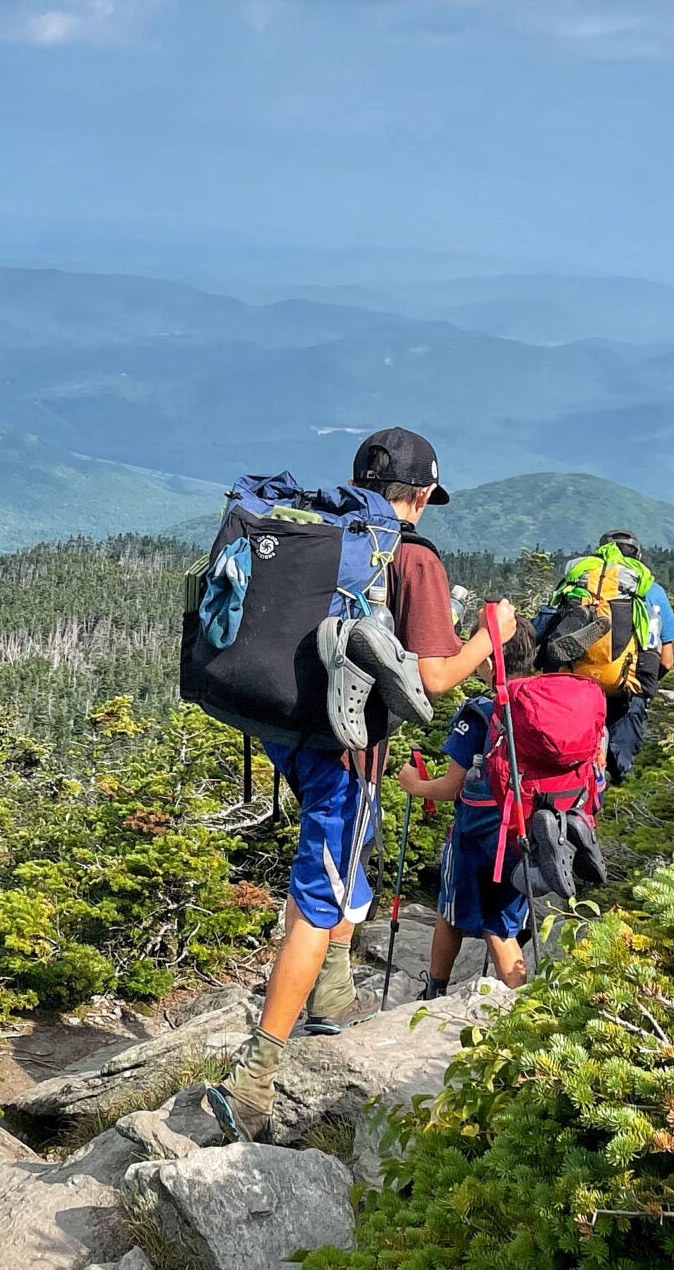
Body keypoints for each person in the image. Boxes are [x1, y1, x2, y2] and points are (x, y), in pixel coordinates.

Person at [206, 428, 516, 1142]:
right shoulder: (412, 560)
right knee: (323, 893)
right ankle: (255, 1074)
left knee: (345, 855)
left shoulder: (332, 540)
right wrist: (488, 632)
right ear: (420, 496)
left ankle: (333, 993)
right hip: (346, 749)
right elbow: (435, 679)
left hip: (286, 730)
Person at [401, 613, 567, 995]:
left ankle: (438, 990)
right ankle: (518, 1007)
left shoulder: (480, 713)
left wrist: (414, 785)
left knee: (456, 913)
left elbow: (451, 787)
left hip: (478, 840)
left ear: (489, 660)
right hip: (527, 834)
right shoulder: (543, 707)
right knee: (503, 924)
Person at [587, 529, 674, 780]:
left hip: (580, 689)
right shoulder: (653, 591)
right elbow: (667, 661)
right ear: (639, 556)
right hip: (630, 695)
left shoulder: (583, 585)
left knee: (577, 765)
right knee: (616, 774)